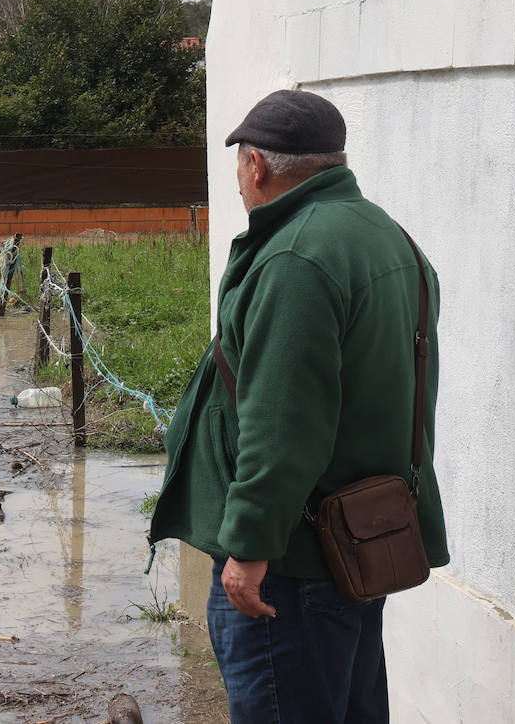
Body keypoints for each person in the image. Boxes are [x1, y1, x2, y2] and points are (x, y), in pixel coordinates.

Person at [146, 89, 449, 723]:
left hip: (292, 564)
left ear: (255, 166)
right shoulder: (387, 235)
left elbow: (284, 424)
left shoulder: (296, 256)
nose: (238, 181)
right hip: (356, 543)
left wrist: (250, 546)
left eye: (238, 167)